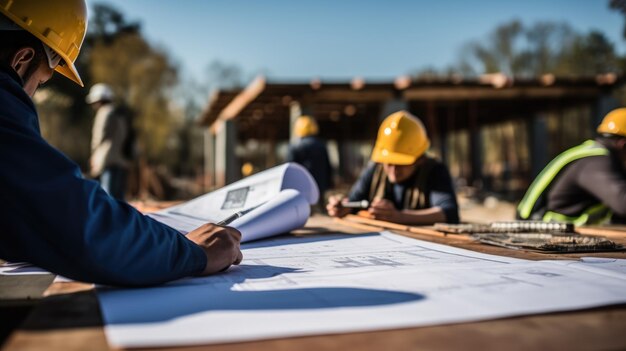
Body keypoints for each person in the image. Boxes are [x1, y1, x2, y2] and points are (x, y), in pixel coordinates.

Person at [0, 0, 242, 286]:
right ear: (21, 60)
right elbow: (75, 224)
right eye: (39, 84)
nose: (31, 96)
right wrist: (193, 252)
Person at [326, 111, 459, 225]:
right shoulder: (375, 169)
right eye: (389, 163)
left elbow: (448, 213)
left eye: (401, 163)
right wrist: (343, 207)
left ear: (420, 159)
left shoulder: (434, 171)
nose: (394, 170)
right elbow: (354, 201)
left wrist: (399, 217)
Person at [517, 108, 626, 225]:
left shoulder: (593, 155)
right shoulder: (596, 163)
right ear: (623, 144)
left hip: (550, 231)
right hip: (541, 233)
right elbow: (623, 204)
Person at [86, 83, 130, 200]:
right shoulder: (120, 114)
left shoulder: (104, 112)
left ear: (99, 100)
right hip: (121, 160)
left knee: (107, 195)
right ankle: (121, 218)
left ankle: (110, 218)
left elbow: (98, 137)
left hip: (107, 160)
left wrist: (93, 156)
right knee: (119, 196)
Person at [287, 115, 333, 203]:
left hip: (302, 185)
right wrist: (329, 184)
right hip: (320, 184)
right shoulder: (321, 145)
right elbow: (328, 167)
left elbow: (291, 169)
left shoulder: (295, 146)